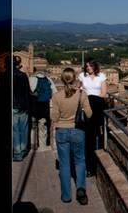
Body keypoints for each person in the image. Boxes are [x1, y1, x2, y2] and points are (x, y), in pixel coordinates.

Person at [50, 68, 92, 204]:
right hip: (78, 131)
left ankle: (66, 196)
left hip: (61, 131)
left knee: (64, 164)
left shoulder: (56, 96)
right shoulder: (81, 94)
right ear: (74, 79)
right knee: (80, 161)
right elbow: (90, 114)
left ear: (62, 79)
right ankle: (81, 189)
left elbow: (54, 117)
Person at [78, 58, 107, 177]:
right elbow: (79, 90)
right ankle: (90, 167)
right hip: (86, 109)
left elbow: (104, 93)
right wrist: (86, 103)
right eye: (86, 66)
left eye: (90, 66)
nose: (88, 68)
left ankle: (97, 163)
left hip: (98, 108)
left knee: (98, 136)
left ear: (95, 66)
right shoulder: (81, 76)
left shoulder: (102, 76)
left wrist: (93, 102)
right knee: (88, 138)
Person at [29, 67, 57, 149]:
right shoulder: (48, 80)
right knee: (43, 127)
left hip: (33, 107)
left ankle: (33, 145)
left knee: (33, 127)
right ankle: (42, 146)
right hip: (44, 107)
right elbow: (54, 93)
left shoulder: (31, 79)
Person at [13, 55, 31, 161]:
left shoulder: (5, 75)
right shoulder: (23, 75)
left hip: (13, 106)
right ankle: (23, 150)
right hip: (24, 105)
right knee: (23, 129)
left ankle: (17, 153)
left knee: (15, 130)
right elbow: (28, 91)